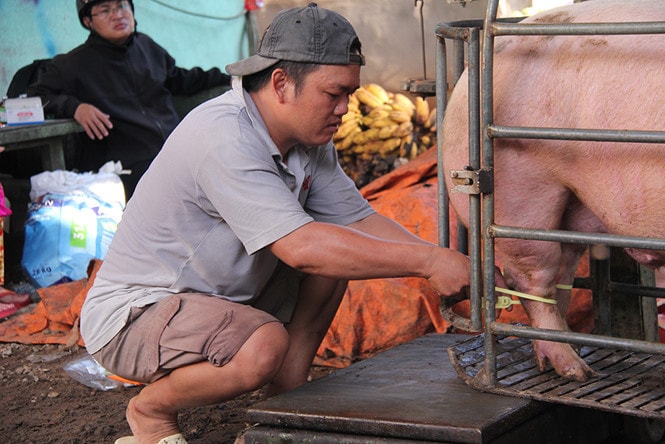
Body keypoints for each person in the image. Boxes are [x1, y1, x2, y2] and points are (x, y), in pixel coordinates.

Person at [80, 4, 472, 444]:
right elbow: (301, 248)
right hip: (137, 315)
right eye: (333, 93)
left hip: (217, 304)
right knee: (263, 344)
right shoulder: (224, 136)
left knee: (338, 259)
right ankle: (149, 411)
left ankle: (285, 390)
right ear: (281, 83)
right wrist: (428, 263)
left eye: (350, 94)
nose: (344, 108)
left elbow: (359, 221)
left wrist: (445, 261)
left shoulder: (308, 141)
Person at [27, 0, 231, 199]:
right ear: (88, 21)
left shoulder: (147, 47)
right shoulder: (73, 64)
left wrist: (233, 78)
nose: (117, 15)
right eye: (105, 10)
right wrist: (75, 108)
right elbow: (34, 98)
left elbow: (179, 78)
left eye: (122, 6)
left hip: (176, 152)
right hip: (128, 168)